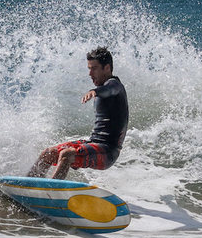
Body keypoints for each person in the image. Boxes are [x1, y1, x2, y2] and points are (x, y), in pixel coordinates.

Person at [28, 46, 129, 180]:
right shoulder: (104, 87)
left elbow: (110, 90)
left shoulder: (115, 85)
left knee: (67, 154)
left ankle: (52, 192)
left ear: (107, 68)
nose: (90, 74)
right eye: (89, 69)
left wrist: (95, 91)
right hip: (93, 143)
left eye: (94, 68)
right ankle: (26, 187)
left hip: (108, 151)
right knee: (48, 153)